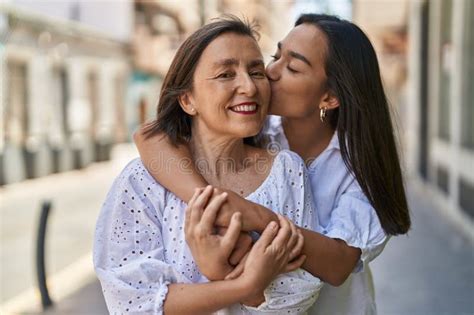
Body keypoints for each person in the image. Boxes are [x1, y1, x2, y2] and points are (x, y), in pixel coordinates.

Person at [134, 14, 411, 314]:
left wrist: (253, 214)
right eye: (276, 56)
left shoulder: (355, 163)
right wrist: (213, 204)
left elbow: (339, 262)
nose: (270, 72)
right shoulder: (254, 127)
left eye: (292, 67)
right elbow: (150, 137)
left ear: (329, 97)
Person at [94, 17, 323, 314]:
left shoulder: (287, 171)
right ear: (188, 100)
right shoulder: (142, 181)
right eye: (226, 74)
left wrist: (220, 272)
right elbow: (133, 302)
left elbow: (301, 296)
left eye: (256, 72)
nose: (249, 87)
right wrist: (242, 285)